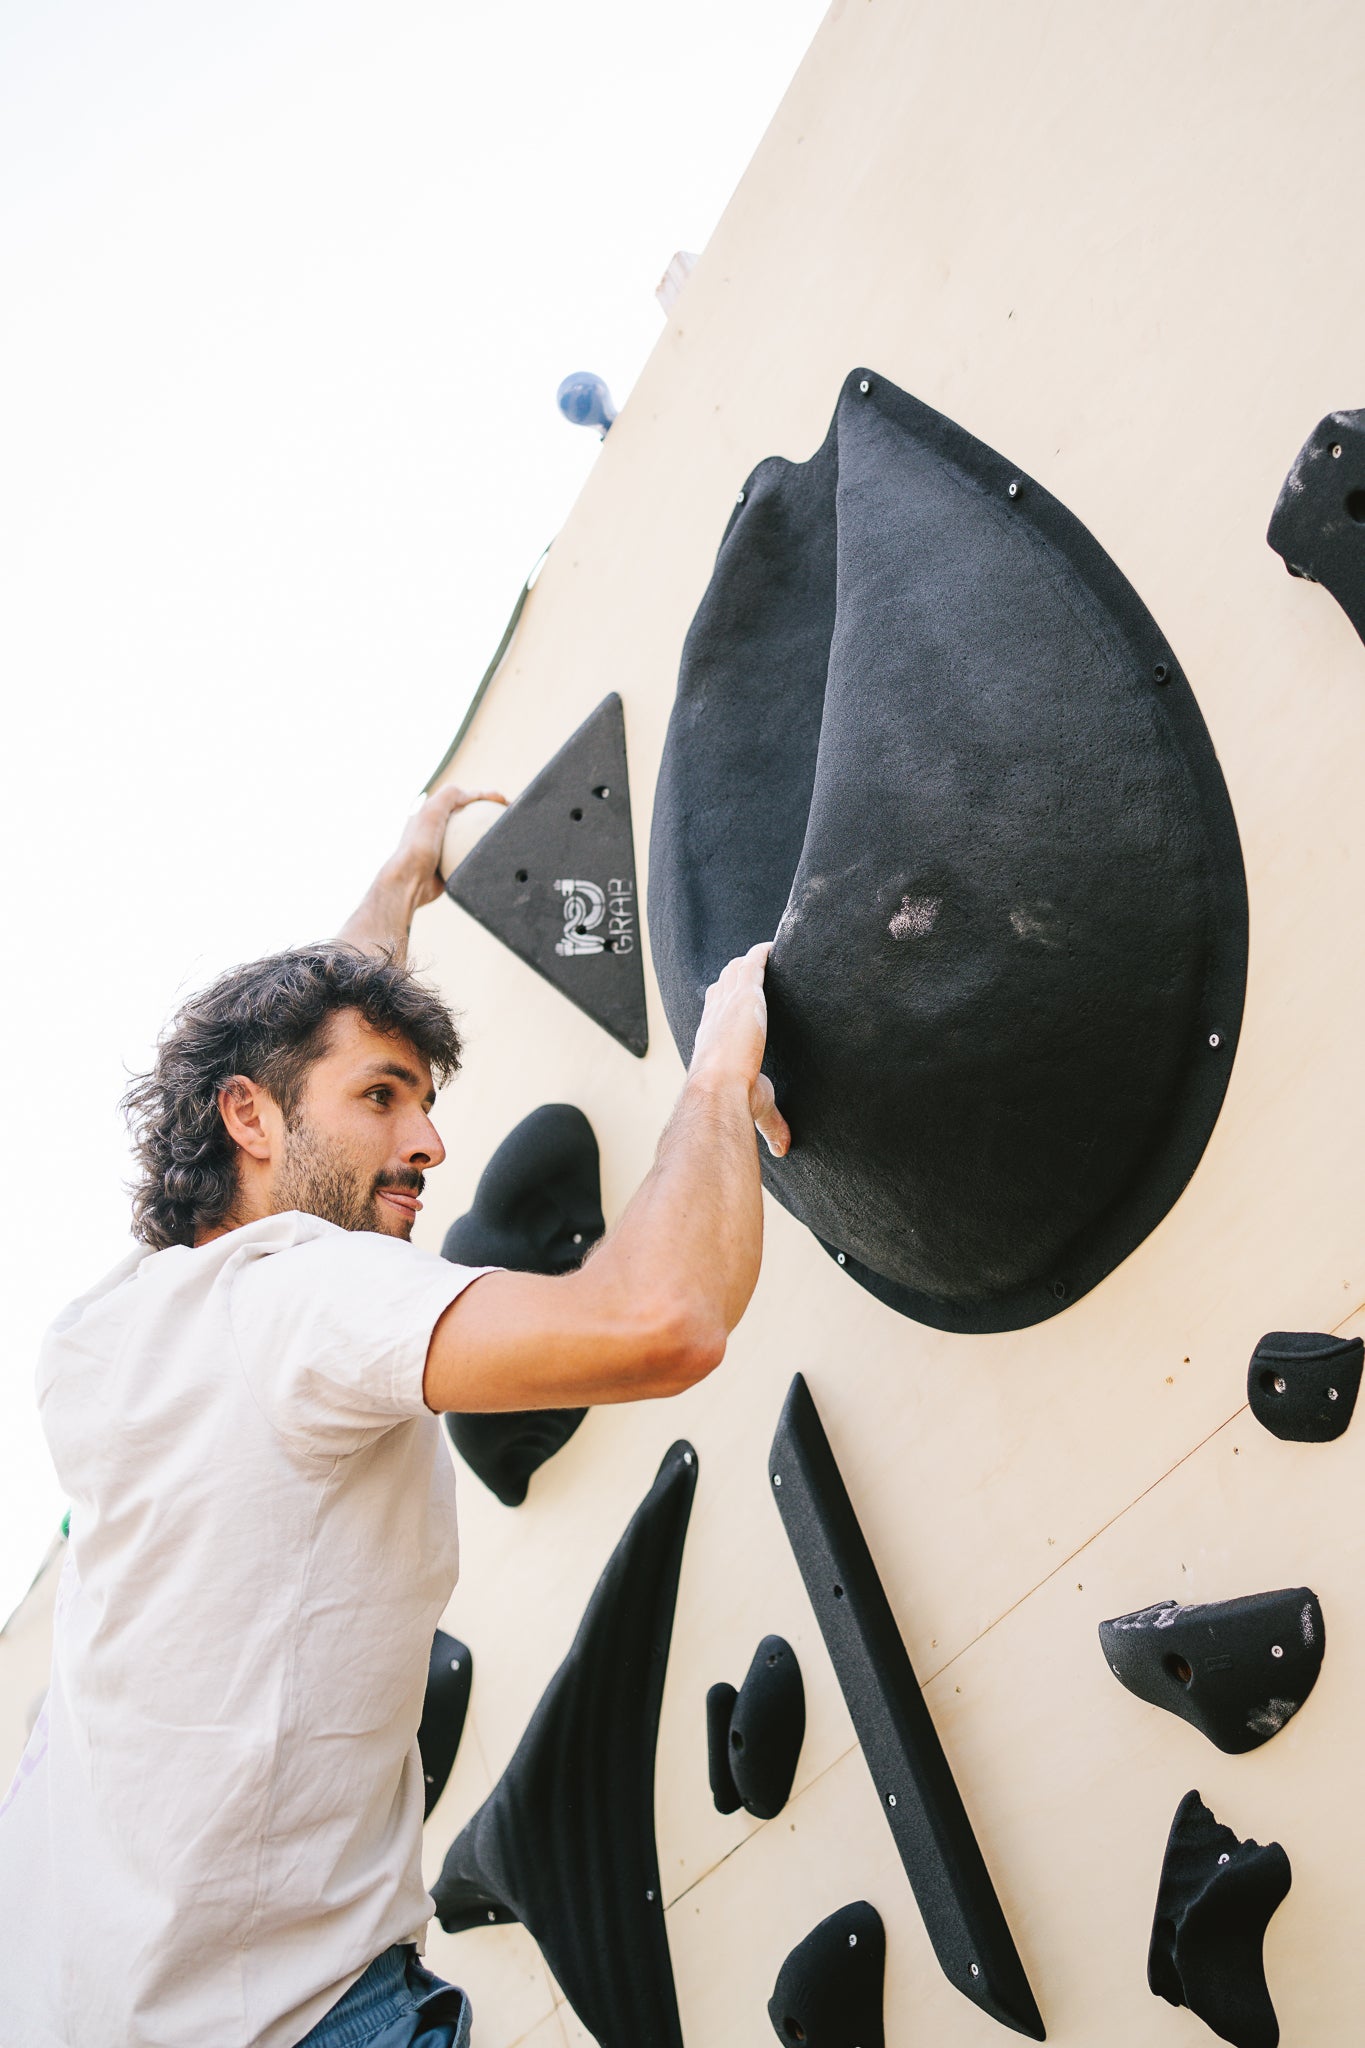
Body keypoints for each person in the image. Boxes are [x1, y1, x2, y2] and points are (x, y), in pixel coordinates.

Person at [0, 783, 791, 2048]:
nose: (429, 1138)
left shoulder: (106, 1335)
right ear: (246, 1116)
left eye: (426, 1100)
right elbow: (664, 1317)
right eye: (386, 1097)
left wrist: (402, 878)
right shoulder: (300, 1291)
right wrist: (720, 1061)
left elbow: (305, 1051)